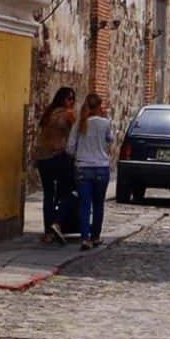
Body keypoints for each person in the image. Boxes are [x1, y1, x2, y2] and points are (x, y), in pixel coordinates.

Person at [68, 91, 115, 251]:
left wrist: (79, 156)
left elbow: (69, 147)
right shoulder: (105, 123)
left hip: (82, 167)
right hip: (101, 167)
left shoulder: (79, 123)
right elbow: (111, 139)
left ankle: (85, 238)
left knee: (84, 205)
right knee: (98, 204)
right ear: (100, 106)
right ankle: (96, 236)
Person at [33, 86, 77, 245]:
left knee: (48, 195)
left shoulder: (48, 113)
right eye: (69, 99)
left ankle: (48, 233)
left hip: (42, 158)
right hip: (58, 157)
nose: (71, 102)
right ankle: (57, 222)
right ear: (62, 100)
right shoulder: (68, 114)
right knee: (70, 191)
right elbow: (76, 134)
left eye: (73, 99)